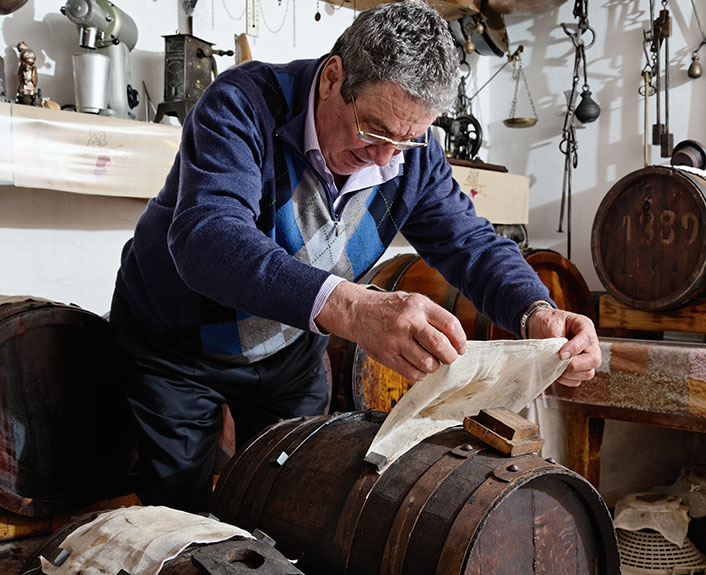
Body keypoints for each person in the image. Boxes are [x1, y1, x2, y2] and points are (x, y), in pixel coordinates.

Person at [110, 0, 600, 513]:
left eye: (406, 141)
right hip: (179, 348)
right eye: (373, 129)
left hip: (288, 354)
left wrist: (535, 310)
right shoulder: (241, 104)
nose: (385, 159)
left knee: (288, 508)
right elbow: (208, 237)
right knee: (180, 518)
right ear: (332, 78)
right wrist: (355, 309)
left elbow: (471, 244)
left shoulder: (413, 153)